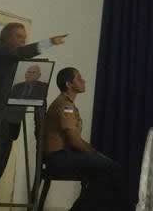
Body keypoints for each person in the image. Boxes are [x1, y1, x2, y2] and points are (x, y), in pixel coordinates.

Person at [0, 23, 66, 211]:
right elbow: (21, 52)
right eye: (19, 36)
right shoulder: (0, 50)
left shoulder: (14, 59)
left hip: (9, 121)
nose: (23, 40)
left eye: (24, 37)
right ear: (7, 37)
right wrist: (49, 42)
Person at [43, 67, 128, 211]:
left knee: (103, 175)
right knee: (112, 168)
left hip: (62, 155)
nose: (83, 81)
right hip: (58, 158)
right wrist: (95, 153)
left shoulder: (66, 103)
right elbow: (74, 141)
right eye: (79, 78)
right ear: (69, 84)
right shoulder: (65, 106)